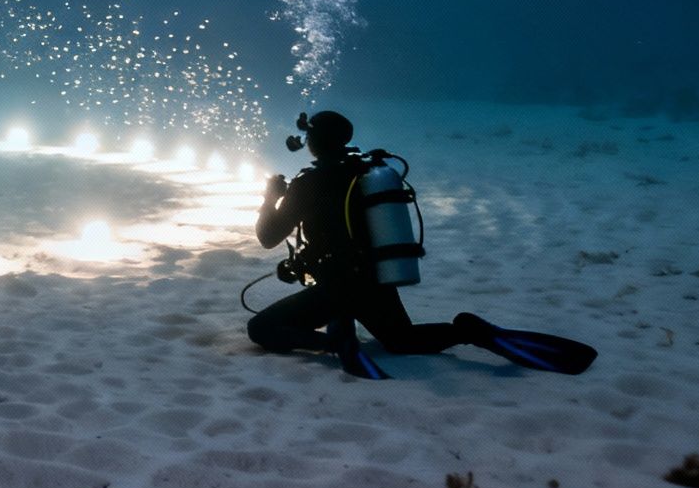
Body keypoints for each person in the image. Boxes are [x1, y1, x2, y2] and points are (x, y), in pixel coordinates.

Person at [248, 110, 596, 379]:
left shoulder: (307, 184)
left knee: (261, 328)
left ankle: (334, 341)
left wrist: (269, 198)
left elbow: (267, 237)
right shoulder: (365, 171)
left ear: (314, 143)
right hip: (375, 282)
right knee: (402, 341)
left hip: (338, 288)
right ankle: (468, 331)